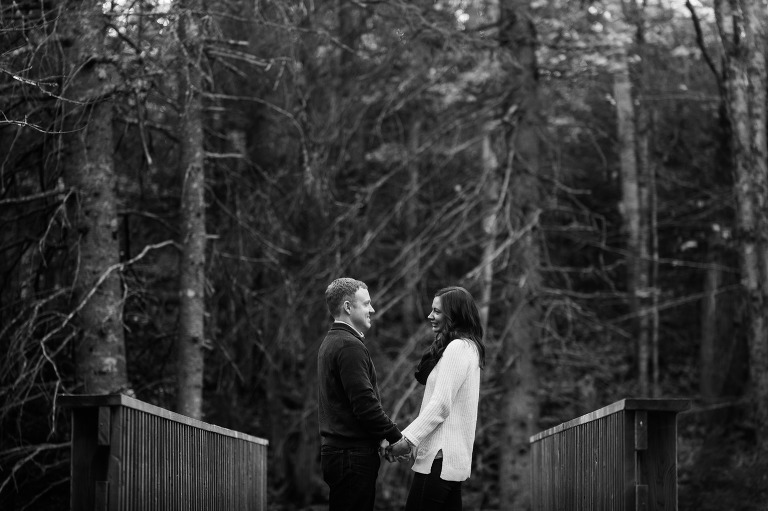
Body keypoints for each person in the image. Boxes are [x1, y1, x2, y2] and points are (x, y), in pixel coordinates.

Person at [387, 286, 486, 511]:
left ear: (455, 315)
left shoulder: (458, 348)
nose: (430, 316)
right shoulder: (467, 348)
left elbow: (441, 404)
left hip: (439, 459)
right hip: (447, 459)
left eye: (437, 311)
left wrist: (407, 439)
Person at [318, 277, 408, 511]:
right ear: (348, 307)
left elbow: (348, 406)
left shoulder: (333, 342)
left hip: (341, 453)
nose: (372, 309)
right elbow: (364, 403)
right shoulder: (349, 346)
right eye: (366, 303)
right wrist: (395, 436)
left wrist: (378, 438)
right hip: (351, 456)